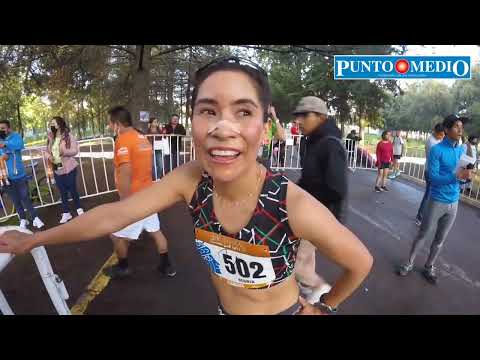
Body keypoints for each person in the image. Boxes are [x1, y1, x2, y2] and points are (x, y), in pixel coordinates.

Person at [0, 57, 372, 315]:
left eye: (243, 112)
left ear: (264, 128)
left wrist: (325, 306)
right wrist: (34, 240)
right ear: (192, 121)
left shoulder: (294, 204)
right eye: (208, 110)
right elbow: (114, 214)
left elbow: (360, 262)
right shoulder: (191, 180)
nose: (222, 128)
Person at [397, 115, 472, 284]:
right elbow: (433, 178)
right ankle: (409, 263)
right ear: (446, 130)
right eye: (456, 127)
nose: (460, 130)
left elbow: (462, 174)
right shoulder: (437, 150)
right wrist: (455, 176)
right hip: (437, 200)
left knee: (440, 239)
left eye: (461, 127)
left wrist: (467, 176)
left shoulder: (461, 150)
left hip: (454, 202)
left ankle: (429, 266)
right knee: (423, 234)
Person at [102, 106, 175, 279]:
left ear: (117, 124)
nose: (110, 127)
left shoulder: (123, 140)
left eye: (110, 124)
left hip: (133, 198)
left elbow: (126, 171)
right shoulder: (142, 137)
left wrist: (125, 202)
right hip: (147, 195)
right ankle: (167, 266)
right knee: (156, 232)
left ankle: (123, 266)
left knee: (114, 234)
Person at [293, 97, 349, 304]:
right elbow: (310, 178)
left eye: (305, 115)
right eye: (297, 115)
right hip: (309, 214)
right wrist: (292, 192)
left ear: (321, 117)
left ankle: (322, 296)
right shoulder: (311, 142)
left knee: (296, 264)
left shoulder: (330, 145)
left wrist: (305, 198)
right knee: (305, 260)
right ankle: (312, 294)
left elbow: (336, 189)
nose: (299, 120)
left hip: (319, 217)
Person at [0, 120, 45, 230]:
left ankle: (35, 218)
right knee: (16, 200)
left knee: (25, 198)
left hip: (19, 175)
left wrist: (6, 144)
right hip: (6, 177)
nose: (1, 130)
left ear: (9, 128)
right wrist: (2, 155)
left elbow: (20, 145)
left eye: (3, 128)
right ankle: (23, 219)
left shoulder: (15, 136)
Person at [46, 117, 84, 224]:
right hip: (57, 169)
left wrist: (64, 152)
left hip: (69, 167)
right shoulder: (50, 137)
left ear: (60, 124)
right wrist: (50, 157)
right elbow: (47, 151)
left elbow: (75, 151)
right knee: (62, 192)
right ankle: (66, 212)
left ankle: (79, 208)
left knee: (72, 189)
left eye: (54, 123)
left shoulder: (68, 136)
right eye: (51, 123)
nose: (52, 125)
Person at [415, 123, 445, 226]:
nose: (443, 136)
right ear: (436, 132)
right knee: (429, 196)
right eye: (441, 134)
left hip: (430, 170)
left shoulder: (435, 139)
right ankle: (420, 216)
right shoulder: (432, 143)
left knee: (430, 195)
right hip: (431, 172)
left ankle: (423, 216)